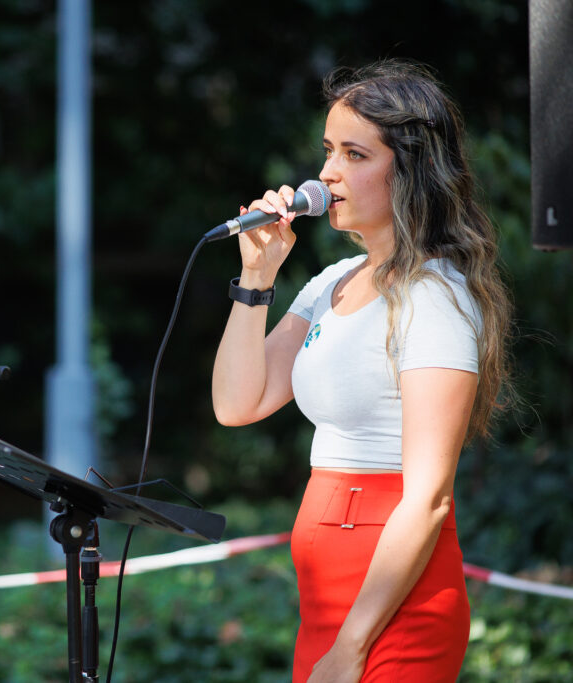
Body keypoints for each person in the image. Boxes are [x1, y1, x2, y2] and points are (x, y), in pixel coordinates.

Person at [211, 60, 511, 682]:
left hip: (391, 611)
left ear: (411, 170)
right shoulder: (330, 284)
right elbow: (237, 405)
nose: (327, 173)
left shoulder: (435, 297)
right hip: (325, 600)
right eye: (328, 151)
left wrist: (351, 645)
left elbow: (427, 497)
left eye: (354, 154)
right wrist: (257, 279)